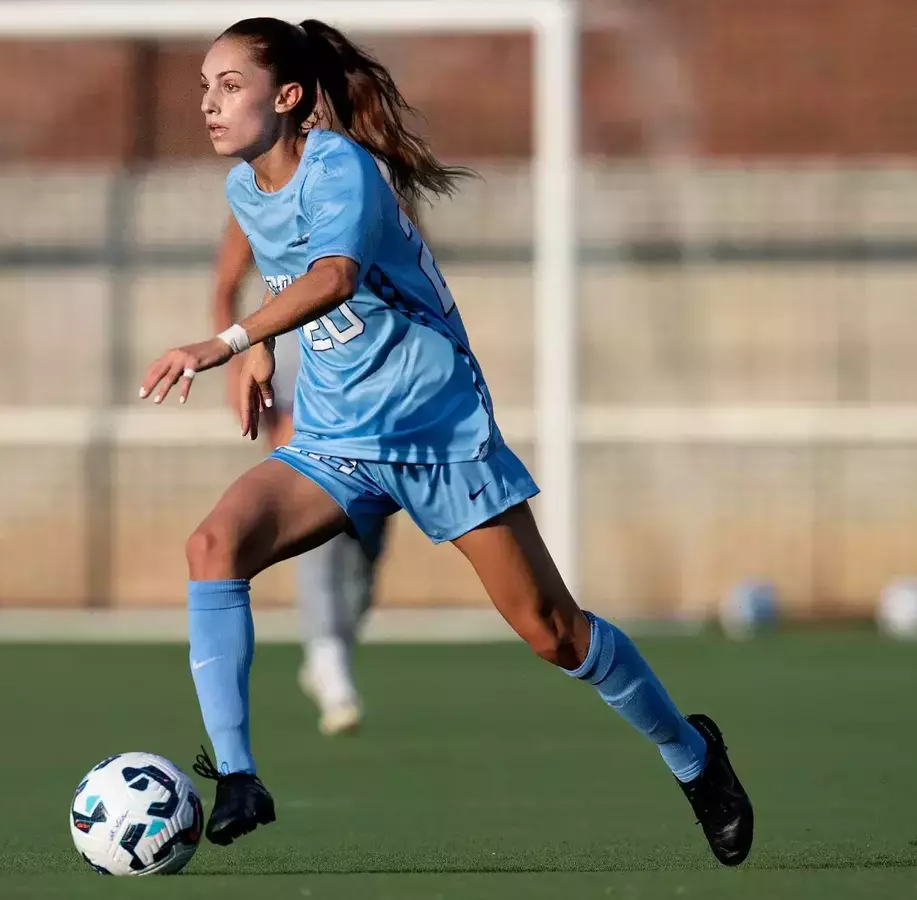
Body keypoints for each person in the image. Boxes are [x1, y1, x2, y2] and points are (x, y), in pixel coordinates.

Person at [139, 18, 753, 865]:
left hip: (436, 431)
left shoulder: (342, 167)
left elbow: (333, 277)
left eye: (230, 85)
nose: (209, 104)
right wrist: (260, 350)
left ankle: (693, 755)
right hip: (334, 441)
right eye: (204, 86)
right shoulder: (246, 189)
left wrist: (230, 344)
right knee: (213, 546)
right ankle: (239, 775)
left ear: (287, 97)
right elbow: (265, 270)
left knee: (554, 633)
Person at [212, 209, 382, 737]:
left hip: (366, 366)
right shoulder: (257, 195)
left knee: (369, 530)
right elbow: (226, 285)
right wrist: (236, 359)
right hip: (293, 362)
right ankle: (328, 658)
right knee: (318, 508)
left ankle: (332, 648)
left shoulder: (366, 185)